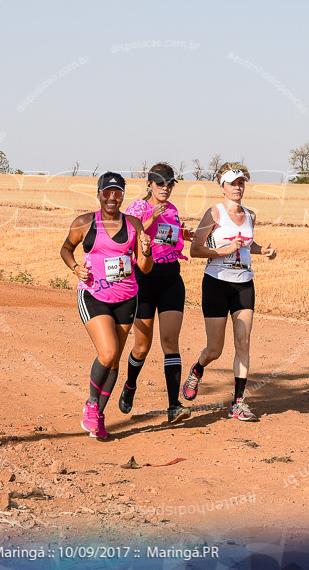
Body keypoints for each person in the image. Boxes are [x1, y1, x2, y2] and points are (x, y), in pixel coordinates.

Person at [60, 172, 153, 440]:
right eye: (107, 192)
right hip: (93, 295)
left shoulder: (134, 224)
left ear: (123, 194)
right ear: (99, 193)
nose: (112, 197)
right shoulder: (84, 222)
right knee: (109, 351)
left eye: (118, 192)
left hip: (126, 297)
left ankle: (98, 416)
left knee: (114, 363)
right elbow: (66, 249)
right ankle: (91, 403)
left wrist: (145, 251)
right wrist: (76, 268)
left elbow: (145, 268)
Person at [182, 163, 276, 421]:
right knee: (215, 348)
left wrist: (262, 251)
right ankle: (197, 370)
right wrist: (225, 251)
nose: (238, 187)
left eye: (241, 183)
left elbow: (248, 245)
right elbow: (195, 249)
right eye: (233, 183)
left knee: (243, 342)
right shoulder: (214, 214)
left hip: (244, 283)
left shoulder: (250, 215)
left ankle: (238, 402)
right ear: (222, 186)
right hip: (216, 282)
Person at [119, 163, 194, 424]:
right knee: (142, 346)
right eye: (160, 183)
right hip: (145, 278)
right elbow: (130, 236)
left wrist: (185, 233)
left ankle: (174, 405)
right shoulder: (137, 208)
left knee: (170, 343)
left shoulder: (172, 210)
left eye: (170, 183)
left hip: (171, 278)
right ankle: (130, 385)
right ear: (149, 184)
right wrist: (152, 216)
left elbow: (167, 238)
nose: (166, 188)